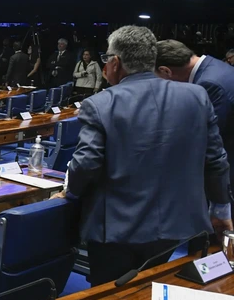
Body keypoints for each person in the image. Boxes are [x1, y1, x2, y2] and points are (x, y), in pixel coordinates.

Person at [57, 26, 230, 286]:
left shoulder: (101, 104)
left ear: (115, 63)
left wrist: (70, 193)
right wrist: (220, 208)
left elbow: (87, 164)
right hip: (178, 225)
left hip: (116, 228)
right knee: (152, 292)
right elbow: (216, 161)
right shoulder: (196, 96)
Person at [155, 39, 234, 241]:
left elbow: (205, 142)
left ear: (165, 71)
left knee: (210, 248)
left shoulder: (208, 85)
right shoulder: (215, 66)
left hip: (223, 177)